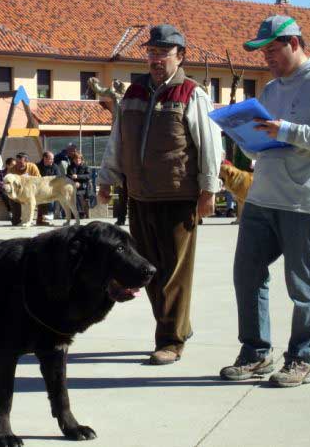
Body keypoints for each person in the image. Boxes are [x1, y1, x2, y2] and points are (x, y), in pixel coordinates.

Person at [219, 16, 310, 387]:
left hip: (304, 200)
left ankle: (301, 358)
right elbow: (266, 137)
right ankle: (256, 352)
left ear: (294, 43)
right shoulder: (270, 90)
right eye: (263, 51)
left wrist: (286, 130)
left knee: (302, 284)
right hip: (263, 195)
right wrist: (243, 136)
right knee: (247, 274)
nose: (267, 57)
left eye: (272, 49)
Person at [98, 24, 222, 366]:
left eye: (162, 53)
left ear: (180, 56)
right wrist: (107, 179)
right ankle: (177, 326)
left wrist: (209, 190)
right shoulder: (133, 94)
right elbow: (117, 141)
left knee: (174, 273)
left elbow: (210, 144)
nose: (155, 59)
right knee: (147, 270)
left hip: (178, 197)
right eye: (151, 53)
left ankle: (170, 340)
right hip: (139, 197)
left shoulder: (191, 93)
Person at [6, 152, 41, 226]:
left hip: (31, 194)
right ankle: (18, 218)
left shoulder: (32, 167)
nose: (18, 164)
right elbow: (7, 184)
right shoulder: (11, 170)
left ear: (26, 161)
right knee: (15, 222)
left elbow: (39, 181)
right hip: (16, 195)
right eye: (17, 162)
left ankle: (40, 219)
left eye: (21, 162)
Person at [36, 151, 60, 226]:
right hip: (38, 188)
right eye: (50, 159)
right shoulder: (37, 166)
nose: (52, 160)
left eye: (53, 159)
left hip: (51, 188)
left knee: (51, 196)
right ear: (44, 158)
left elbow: (58, 177)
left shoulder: (55, 166)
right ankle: (41, 219)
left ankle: (49, 213)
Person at [67, 152, 91, 219]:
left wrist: (78, 177)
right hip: (73, 186)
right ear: (73, 159)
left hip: (84, 186)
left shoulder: (85, 167)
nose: (78, 160)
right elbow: (68, 176)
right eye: (76, 159)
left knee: (78, 194)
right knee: (71, 194)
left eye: (79, 159)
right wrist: (74, 182)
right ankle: (73, 213)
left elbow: (88, 176)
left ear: (81, 159)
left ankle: (80, 213)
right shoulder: (70, 167)